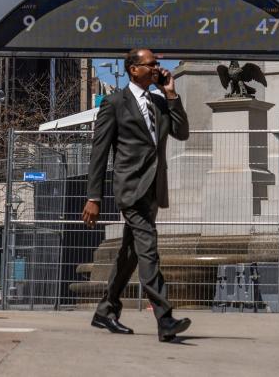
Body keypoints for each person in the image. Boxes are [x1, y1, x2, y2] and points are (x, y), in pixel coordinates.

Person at [82, 48, 191, 343]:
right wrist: (94, 196)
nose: (158, 67)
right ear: (133, 69)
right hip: (130, 188)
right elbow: (99, 153)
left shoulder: (158, 101)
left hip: (154, 187)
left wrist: (170, 94)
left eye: (158, 63)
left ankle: (106, 310)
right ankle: (164, 318)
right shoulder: (114, 103)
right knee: (148, 249)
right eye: (151, 64)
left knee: (130, 254)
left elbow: (182, 133)